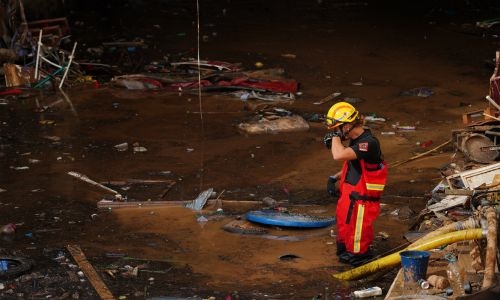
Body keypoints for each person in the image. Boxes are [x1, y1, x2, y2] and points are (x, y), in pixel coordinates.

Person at [323, 102, 388, 266]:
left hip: (362, 201)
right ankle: (346, 257)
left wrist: (334, 139)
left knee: (358, 242)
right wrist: (335, 177)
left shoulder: (369, 143)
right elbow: (355, 164)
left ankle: (362, 266)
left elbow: (339, 155)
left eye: (337, 128)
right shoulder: (355, 140)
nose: (336, 132)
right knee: (344, 236)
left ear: (349, 124)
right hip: (350, 196)